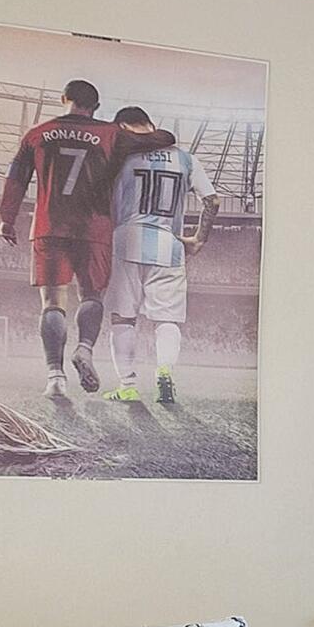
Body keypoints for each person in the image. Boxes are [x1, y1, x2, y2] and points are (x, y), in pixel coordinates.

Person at [0, 82, 171, 398]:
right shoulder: (111, 135)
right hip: (95, 230)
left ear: (64, 99)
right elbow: (164, 139)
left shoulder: (37, 134)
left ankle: (55, 378)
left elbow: (16, 177)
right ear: (97, 105)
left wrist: (7, 218)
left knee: (52, 303)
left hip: (50, 226)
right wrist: (129, 130)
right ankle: (85, 349)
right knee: (92, 296)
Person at [101, 107, 216, 404]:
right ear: (151, 124)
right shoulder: (185, 158)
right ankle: (164, 372)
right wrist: (199, 239)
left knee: (123, 318)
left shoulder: (119, 156)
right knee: (167, 320)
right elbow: (212, 200)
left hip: (125, 240)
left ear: (123, 127)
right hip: (169, 243)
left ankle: (127, 386)